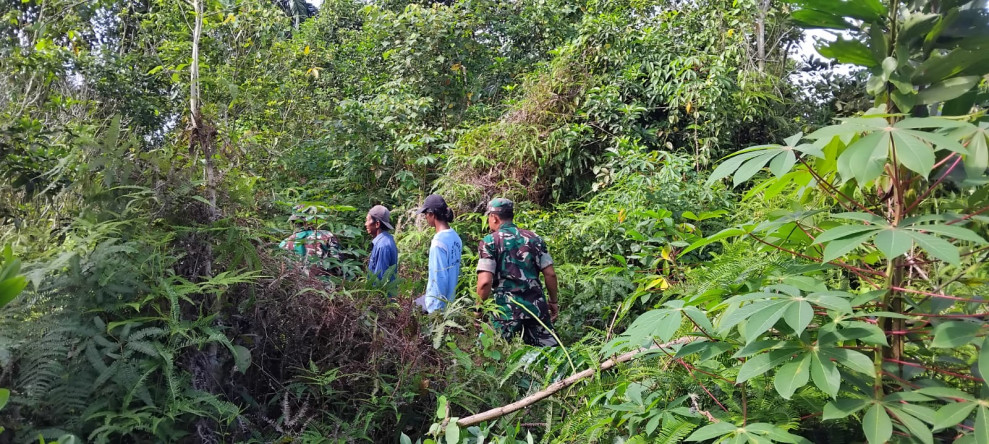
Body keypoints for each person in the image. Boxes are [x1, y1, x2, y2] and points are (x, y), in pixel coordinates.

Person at [476, 197, 560, 347]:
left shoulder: (490, 241)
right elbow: (550, 274)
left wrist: (478, 310)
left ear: (494, 218)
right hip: (536, 308)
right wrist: (553, 301)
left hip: (506, 311)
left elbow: (484, 282)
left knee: (486, 353)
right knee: (551, 356)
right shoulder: (534, 238)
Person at [414, 195, 463, 314]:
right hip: (450, 301)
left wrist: (435, 311)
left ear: (432, 214)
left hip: (437, 305)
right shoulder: (455, 237)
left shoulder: (438, 242)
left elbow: (439, 278)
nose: (425, 217)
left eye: (426, 213)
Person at [279, 205, 342, 276]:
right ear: (314, 219)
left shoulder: (285, 242)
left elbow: (283, 268)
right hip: (325, 283)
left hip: (297, 284)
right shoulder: (327, 236)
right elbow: (337, 263)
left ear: (293, 223)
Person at [365, 205, 399, 284]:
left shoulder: (383, 246)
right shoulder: (386, 240)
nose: (366, 224)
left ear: (377, 224)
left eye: (367, 220)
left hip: (382, 295)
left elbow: (379, 279)